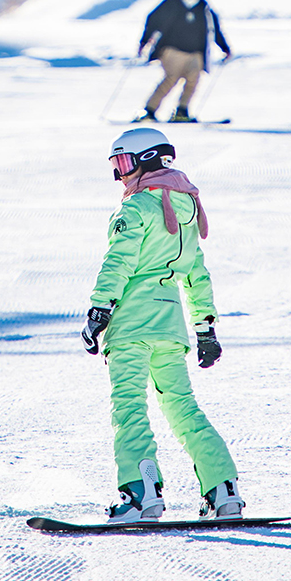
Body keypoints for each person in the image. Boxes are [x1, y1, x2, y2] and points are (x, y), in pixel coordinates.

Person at [81, 125, 244, 524]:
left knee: (130, 409)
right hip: (170, 327)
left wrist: (99, 310)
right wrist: (204, 327)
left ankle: (141, 496)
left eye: (123, 163)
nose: (120, 175)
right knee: (182, 407)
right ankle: (223, 490)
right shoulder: (186, 209)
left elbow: (118, 262)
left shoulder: (135, 208)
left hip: (132, 326)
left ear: (147, 160)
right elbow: (196, 273)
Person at [136, 0, 230, 123]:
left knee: (193, 80)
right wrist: (145, 41)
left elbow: (214, 28)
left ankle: (182, 111)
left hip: (195, 52)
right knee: (171, 78)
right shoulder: (171, 2)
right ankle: (149, 111)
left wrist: (224, 47)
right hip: (172, 50)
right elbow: (153, 19)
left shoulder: (202, 7)